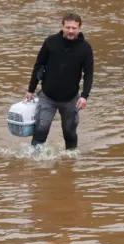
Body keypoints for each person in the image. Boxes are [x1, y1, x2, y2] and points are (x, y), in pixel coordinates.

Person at [26, 12, 94, 150]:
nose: (70, 31)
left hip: (70, 99)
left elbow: (89, 73)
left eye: (74, 28)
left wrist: (84, 96)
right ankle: (33, 160)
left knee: (69, 133)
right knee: (41, 130)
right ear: (62, 26)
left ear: (79, 28)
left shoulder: (85, 48)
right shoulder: (51, 42)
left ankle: (71, 161)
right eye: (67, 27)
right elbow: (38, 65)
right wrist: (31, 89)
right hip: (47, 96)